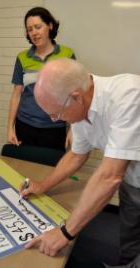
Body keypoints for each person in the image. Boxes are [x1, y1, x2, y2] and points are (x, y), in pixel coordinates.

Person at [19, 58, 140, 267]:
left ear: (76, 98)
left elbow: (110, 176)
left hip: (124, 177)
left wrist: (65, 232)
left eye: (56, 114)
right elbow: (76, 156)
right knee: (130, 243)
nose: (57, 120)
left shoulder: (129, 95)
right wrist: (42, 186)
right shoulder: (79, 109)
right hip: (132, 183)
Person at [7, 7, 76, 151]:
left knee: (52, 170)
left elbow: (75, 95)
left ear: (50, 26)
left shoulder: (67, 54)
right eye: (30, 29)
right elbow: (16, 94)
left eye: (38, 27)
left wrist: (73, 129)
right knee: (24, 168)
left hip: (54, 128)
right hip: (24, 125)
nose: (34, 33)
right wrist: (10, 128)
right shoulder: (22, 58)